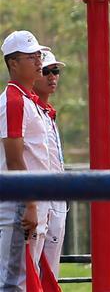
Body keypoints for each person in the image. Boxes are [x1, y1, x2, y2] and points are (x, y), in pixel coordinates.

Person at [1, 31, 55, 292]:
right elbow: (14, 159)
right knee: (15, 282)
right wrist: (30, 204)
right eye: (31, 57)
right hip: (20, 205)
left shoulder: (28, 100)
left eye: (38, 56)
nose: (38, 62)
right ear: (13, 63)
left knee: (27, 277)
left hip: (34, 203)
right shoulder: (14, 101)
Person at [32, 50, 68, 277]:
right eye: (46, 71)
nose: (52, 76)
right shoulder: (30, 111)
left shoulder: (47, 113)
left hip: (56, 197)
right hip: (40, 197)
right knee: (32, 268)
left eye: (55, 71)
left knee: (51, 269)